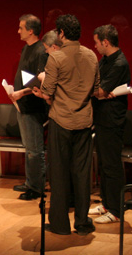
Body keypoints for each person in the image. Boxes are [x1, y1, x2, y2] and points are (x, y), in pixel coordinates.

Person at [32, 14, 99, 236]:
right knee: (82, 173)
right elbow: (95, 89)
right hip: (85, 121)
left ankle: (60, 225)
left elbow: (48, 92)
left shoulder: (57, 57)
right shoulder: (91, 55)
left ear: (61, 33)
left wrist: (41, 92)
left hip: (61, 121)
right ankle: (82, 222)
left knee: (59, 173)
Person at [89, 24, 131, 224]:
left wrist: (98, 92)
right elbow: (97, 86)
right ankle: (106, 203)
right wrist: (98, 91)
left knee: (112, 165)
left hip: (112, 121)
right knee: (104, 164)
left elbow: (100, 91)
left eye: (97, 42)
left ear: (105, 42)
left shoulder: (119, 63)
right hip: (101, 117)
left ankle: (115, 210)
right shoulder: (105, 60)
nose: (95, 46)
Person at [8, 14, 49, 201]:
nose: (18, 31)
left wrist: (20, 93)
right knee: (29, 148)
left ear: (30, 30)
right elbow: (27, 76)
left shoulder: (41, 51)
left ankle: (37, 187)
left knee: (35, 150)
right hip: (22, 105)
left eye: (21, 28)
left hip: (33, 106)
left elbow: (39, 83)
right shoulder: (26, 48)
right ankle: (30, 182)